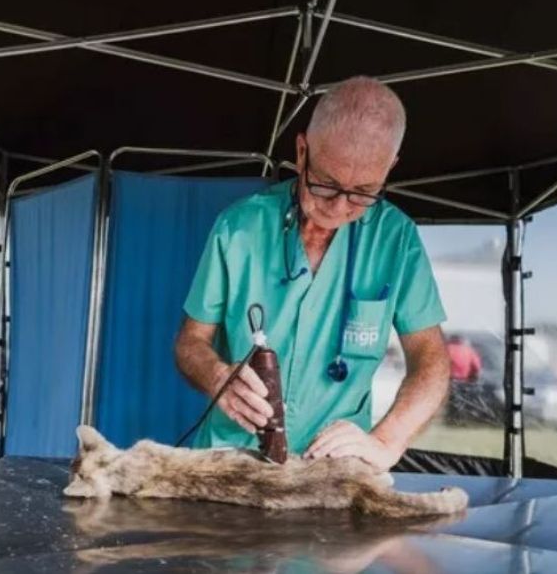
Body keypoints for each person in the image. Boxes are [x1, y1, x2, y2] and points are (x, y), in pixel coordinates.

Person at [174, 76, 451, 471]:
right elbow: (190, 342)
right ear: (302, 152)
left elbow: (431, 360)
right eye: (326, 185)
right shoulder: (238, 228)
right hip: (230, 460)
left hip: (332, 471)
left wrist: (386, 441)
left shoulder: (397, 239)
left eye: (363, 191)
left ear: (389, 169)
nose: (339, 208)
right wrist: (218, 376)